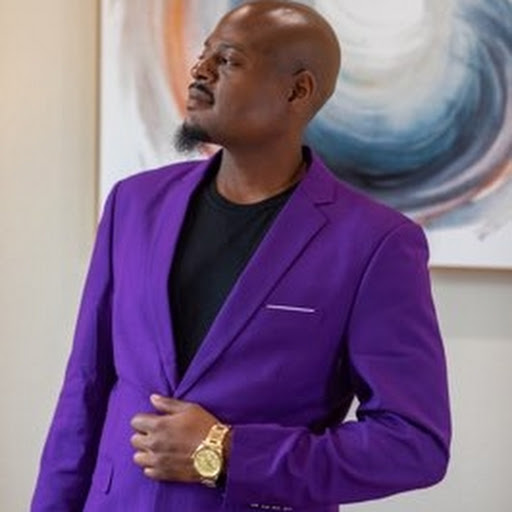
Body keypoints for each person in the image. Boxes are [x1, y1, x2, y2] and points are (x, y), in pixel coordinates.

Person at [31, 1, 451, 511]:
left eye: (227, 60)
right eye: (204, 53)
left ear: (298, 91)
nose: (200, 69)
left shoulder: (375, 243)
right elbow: (86, 386)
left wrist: (227, 452)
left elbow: (413, 443)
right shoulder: (134, 205)